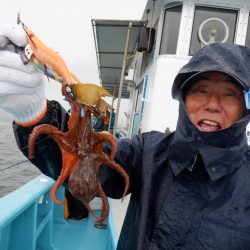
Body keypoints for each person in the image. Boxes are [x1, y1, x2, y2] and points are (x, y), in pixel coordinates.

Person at [1, 24, 250, 249]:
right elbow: (89, 160)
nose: (213, 104)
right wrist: (34, 114)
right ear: (183, 100)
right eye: (201, 91)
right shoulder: (150, 151)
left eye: (229, 94)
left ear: (244, 108)